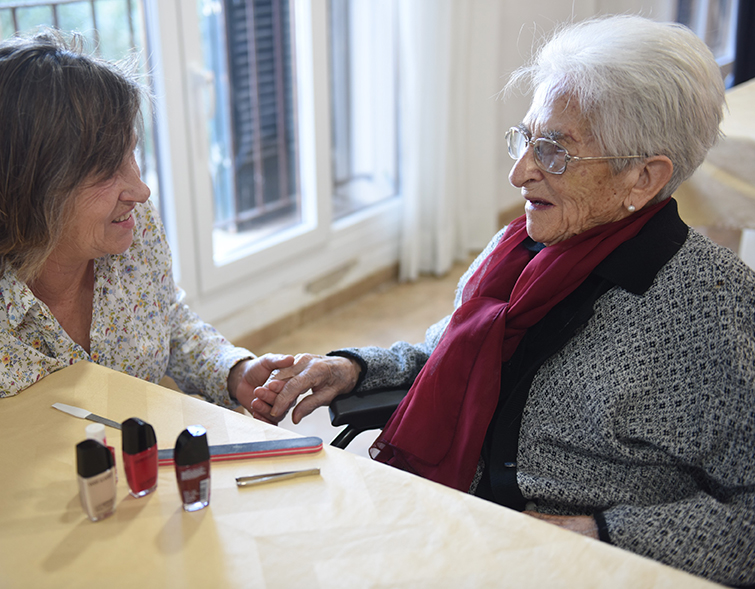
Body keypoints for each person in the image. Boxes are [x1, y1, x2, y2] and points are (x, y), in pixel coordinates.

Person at [253, 15, 755, 586]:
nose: (519, 173)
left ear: (643, 177)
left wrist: (599, 532)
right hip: (458, 527)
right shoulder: (519, 249)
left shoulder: (712, 309)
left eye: (555, 153)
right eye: (525, 139)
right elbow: (448, 354)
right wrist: (352, 369)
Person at [0, 30, 292, 445]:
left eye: (131, 154)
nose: (140, 191)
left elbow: (163, 318)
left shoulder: (130, 226)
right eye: (107, 170)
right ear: (25, 189)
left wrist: (232, 371)